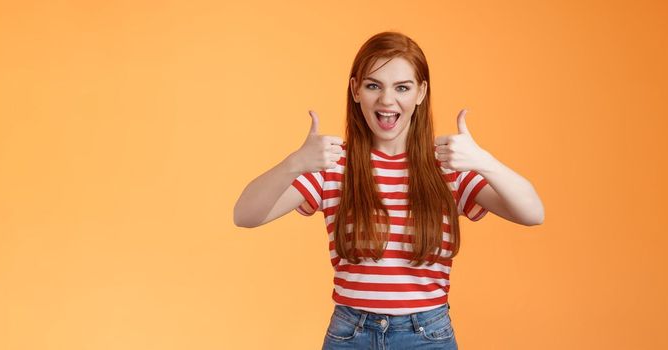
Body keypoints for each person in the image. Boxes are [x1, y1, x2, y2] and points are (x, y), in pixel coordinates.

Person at [233, 31, 544, 350]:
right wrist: (293, 163)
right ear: (355, 90)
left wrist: (484, 162)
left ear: (421, 92)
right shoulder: (334, 165)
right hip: (350, 334)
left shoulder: (448, 166)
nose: (386, 100)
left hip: (427, 335)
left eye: (402, 87)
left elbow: (533, 213)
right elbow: (244, 215)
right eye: (373, 85)